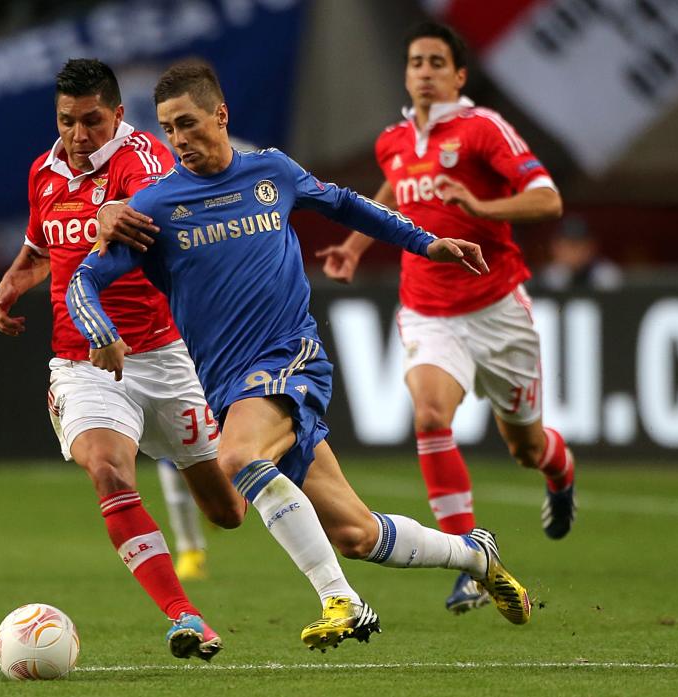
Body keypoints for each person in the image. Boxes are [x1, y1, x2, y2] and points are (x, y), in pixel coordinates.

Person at [71, 61, 533, 651]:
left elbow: (344, 204)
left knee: (236, 456)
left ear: (221, 114)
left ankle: (342, 601)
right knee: (357, 534)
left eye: (187, 123)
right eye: (167, 129)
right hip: (227, 384)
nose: (179, 139)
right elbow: (86, 280)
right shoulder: (155, 208)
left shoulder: (271, 171)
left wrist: (424, 240)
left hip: (289, 357)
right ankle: (475, 554)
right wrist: (100, 330)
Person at [0, 58, 246, 662]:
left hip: (161, 355)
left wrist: (112, 212)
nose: (78, 137)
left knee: (227, 510)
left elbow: (146, 210)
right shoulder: (43, 172)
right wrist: (10, 284)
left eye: (92, 122)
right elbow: (39, 249)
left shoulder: (145, 158)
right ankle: (186, 617)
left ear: (118, 115)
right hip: (83, 363)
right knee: (108, 471)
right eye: (67, 121)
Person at [316, 22, 575, 616]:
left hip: (496, 308)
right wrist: (355, 247)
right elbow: (393, 187)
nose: (424, 71)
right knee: (430, 414)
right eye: (415, 62)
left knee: (526, 446)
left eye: (437, 62)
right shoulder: (394, 140)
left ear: (459, 75)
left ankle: (559, 475)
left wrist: (482, 207)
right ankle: (468, 561)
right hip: (429, 310)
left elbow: (547, 199)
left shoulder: (484, 130)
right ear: (406, 74)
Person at [535, 215, 622, 292]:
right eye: (569, 245)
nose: (575, 252)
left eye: (581, 245)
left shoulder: (606, 275)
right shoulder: (547, 278)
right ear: (555, 248)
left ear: (592, 247)